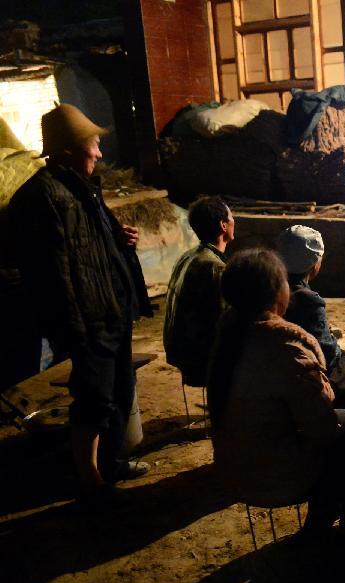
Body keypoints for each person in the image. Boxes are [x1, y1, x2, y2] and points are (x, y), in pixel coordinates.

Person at [8, 104, 152, 502]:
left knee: (120, 391)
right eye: (94, 144)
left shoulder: (83, 189)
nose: (100, 153)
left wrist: (117, 239)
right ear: (70, 148)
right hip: (88, 319)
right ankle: (90, 482)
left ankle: (112, 464)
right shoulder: (42, 198)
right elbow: (53, 274)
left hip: (111, 311)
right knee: (95, 399)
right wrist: (75, 330)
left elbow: (90, 247)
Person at [207, 249, 345, 523]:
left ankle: (323, 518)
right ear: (276, 293)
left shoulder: (228, 335)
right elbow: (320, 428)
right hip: (275, 475)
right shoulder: (287, 350)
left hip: (233, 467)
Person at [278, 225, 345, 399]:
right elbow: (327, 354)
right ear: (315, 264)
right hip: (302, 379)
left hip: (276, 370)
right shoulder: (308, 300)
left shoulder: (270, 288)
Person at [163, 196, 234, 387]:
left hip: (178, 351)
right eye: (231, 217)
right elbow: (225, 321)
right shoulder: (215, 268)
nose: (234, 221)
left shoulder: (187, 257)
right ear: (223, 225)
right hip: (199, 358)